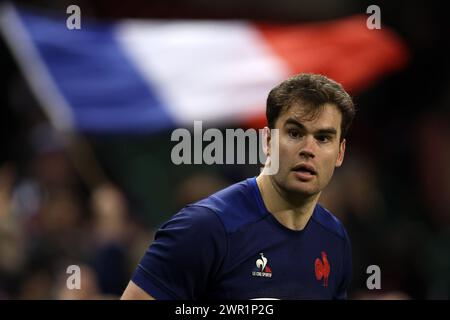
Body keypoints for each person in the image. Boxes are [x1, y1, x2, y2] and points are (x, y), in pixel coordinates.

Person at [121, 73, 356, 300]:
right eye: (294, 133)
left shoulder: (334, 238)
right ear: (267, 141)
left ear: (339, 153)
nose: (308, 149)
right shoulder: (204, 228)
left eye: (323, 138)